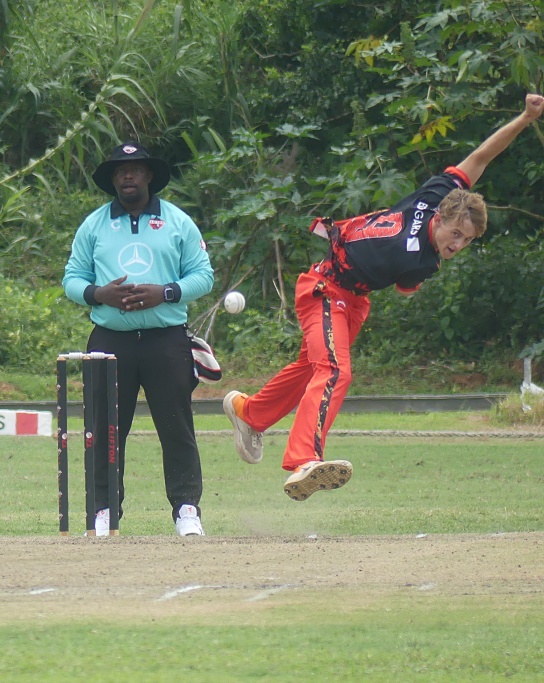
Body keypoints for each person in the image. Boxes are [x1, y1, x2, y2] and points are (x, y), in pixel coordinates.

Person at [223, 93, 544, 501]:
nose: (458, 244)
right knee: (336, 371)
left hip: (352, 300)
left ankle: (250, 414)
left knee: (312, 368)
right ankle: (304, 459)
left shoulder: (435, 195)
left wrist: (524, 118)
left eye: (468, 240)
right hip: (324, 291)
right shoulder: (418, 261)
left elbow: (479, 159)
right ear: (441, 218)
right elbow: (406, 288)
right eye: (456, 234)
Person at [62, 141, 215, 537]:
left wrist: (163, 292)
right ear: (113, 178)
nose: (127, 175)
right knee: (105, 427)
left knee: (175, 425)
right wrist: (100, 294)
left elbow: (203, 277)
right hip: (110, 339)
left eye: (135, 169)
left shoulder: (178, 222)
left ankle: (186, 509)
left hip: (166, 339)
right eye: (120, 170)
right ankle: (103, 512)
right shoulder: (94, 225)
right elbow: (72, 280)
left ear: (149, 175)